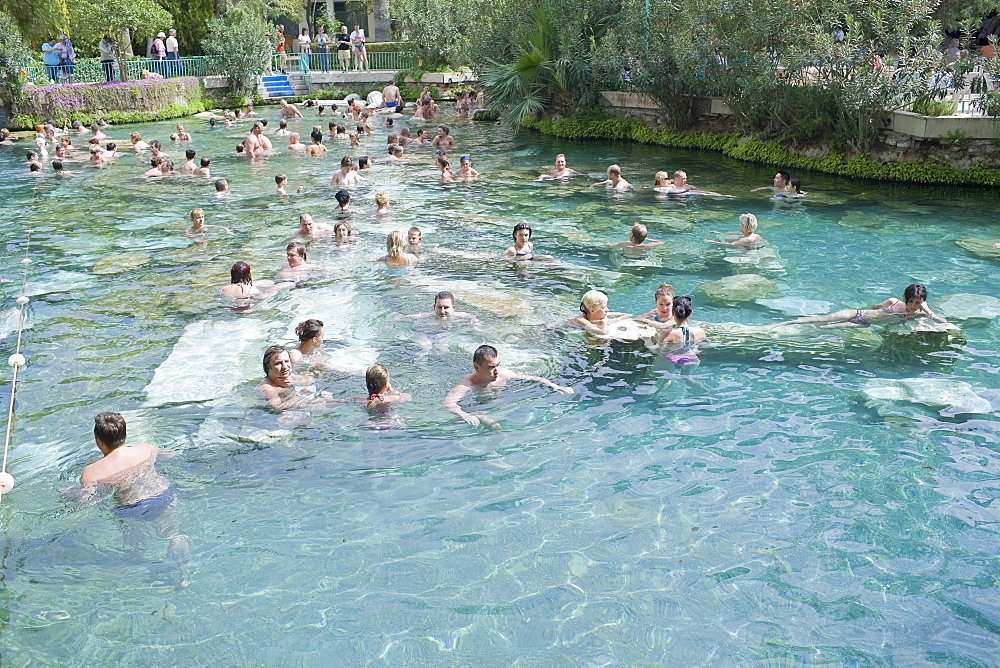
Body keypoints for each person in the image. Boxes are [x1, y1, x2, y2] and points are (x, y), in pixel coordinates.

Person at [79, 413, 188, 565]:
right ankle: (181, 562)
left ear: (99, 441)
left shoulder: (92, 472)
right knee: (173, 535)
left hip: (133, 508)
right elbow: (171, 455)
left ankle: (138, 565)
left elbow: (84, 500)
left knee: (134, 547)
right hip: (163, 496)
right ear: (125, 435)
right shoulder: (146, 449)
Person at [444, 345, 573, 426]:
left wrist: (554, 385)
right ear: (476, 367)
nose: (496, 371)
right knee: (495, 427)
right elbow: (448, 404)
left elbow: (531, 378)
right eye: (491, 367)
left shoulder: (504, 374)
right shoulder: (467, 384)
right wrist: (465, 415)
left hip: (497, 404)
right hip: (476, 408)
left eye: (498, 365)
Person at [770, 284, 947, 329]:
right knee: (819, 319)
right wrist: (880, 308)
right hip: (857, 314)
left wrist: (926, 309)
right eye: (912, 302)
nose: (914, 306)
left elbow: (940, 320)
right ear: (905, 298)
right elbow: (874, 306)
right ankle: (781, 324)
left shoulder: (919, 313)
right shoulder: (894, 302)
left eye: (918, 303)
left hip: (864, 324)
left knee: (825, 327)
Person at [259, 346, 334, 410]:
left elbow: (311, 380)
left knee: (329, 401)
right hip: (283, 415)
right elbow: (277, 408)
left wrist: (293, 381)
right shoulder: (268, 388)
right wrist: (302, 394)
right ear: (268, 367)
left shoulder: (288, 376)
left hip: (295, 405)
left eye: (286, 361)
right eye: (278, 363)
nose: (285, 367)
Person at [656, 296, 706, 365]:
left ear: (673, 312)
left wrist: (647, 341)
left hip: (671, 358)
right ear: (690, 313)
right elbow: (707, 344)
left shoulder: (667, 333)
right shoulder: (700, 332)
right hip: (693, 359)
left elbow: (658, 350)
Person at [404, 291, 476, 322]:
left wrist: (475, 323)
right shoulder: (428, 316)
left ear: (453, 308)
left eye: (446, 307)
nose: (442, 311)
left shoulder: (460, 315)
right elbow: (409, 317)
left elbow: (472, 317)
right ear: (434, 307)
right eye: (439, 307)